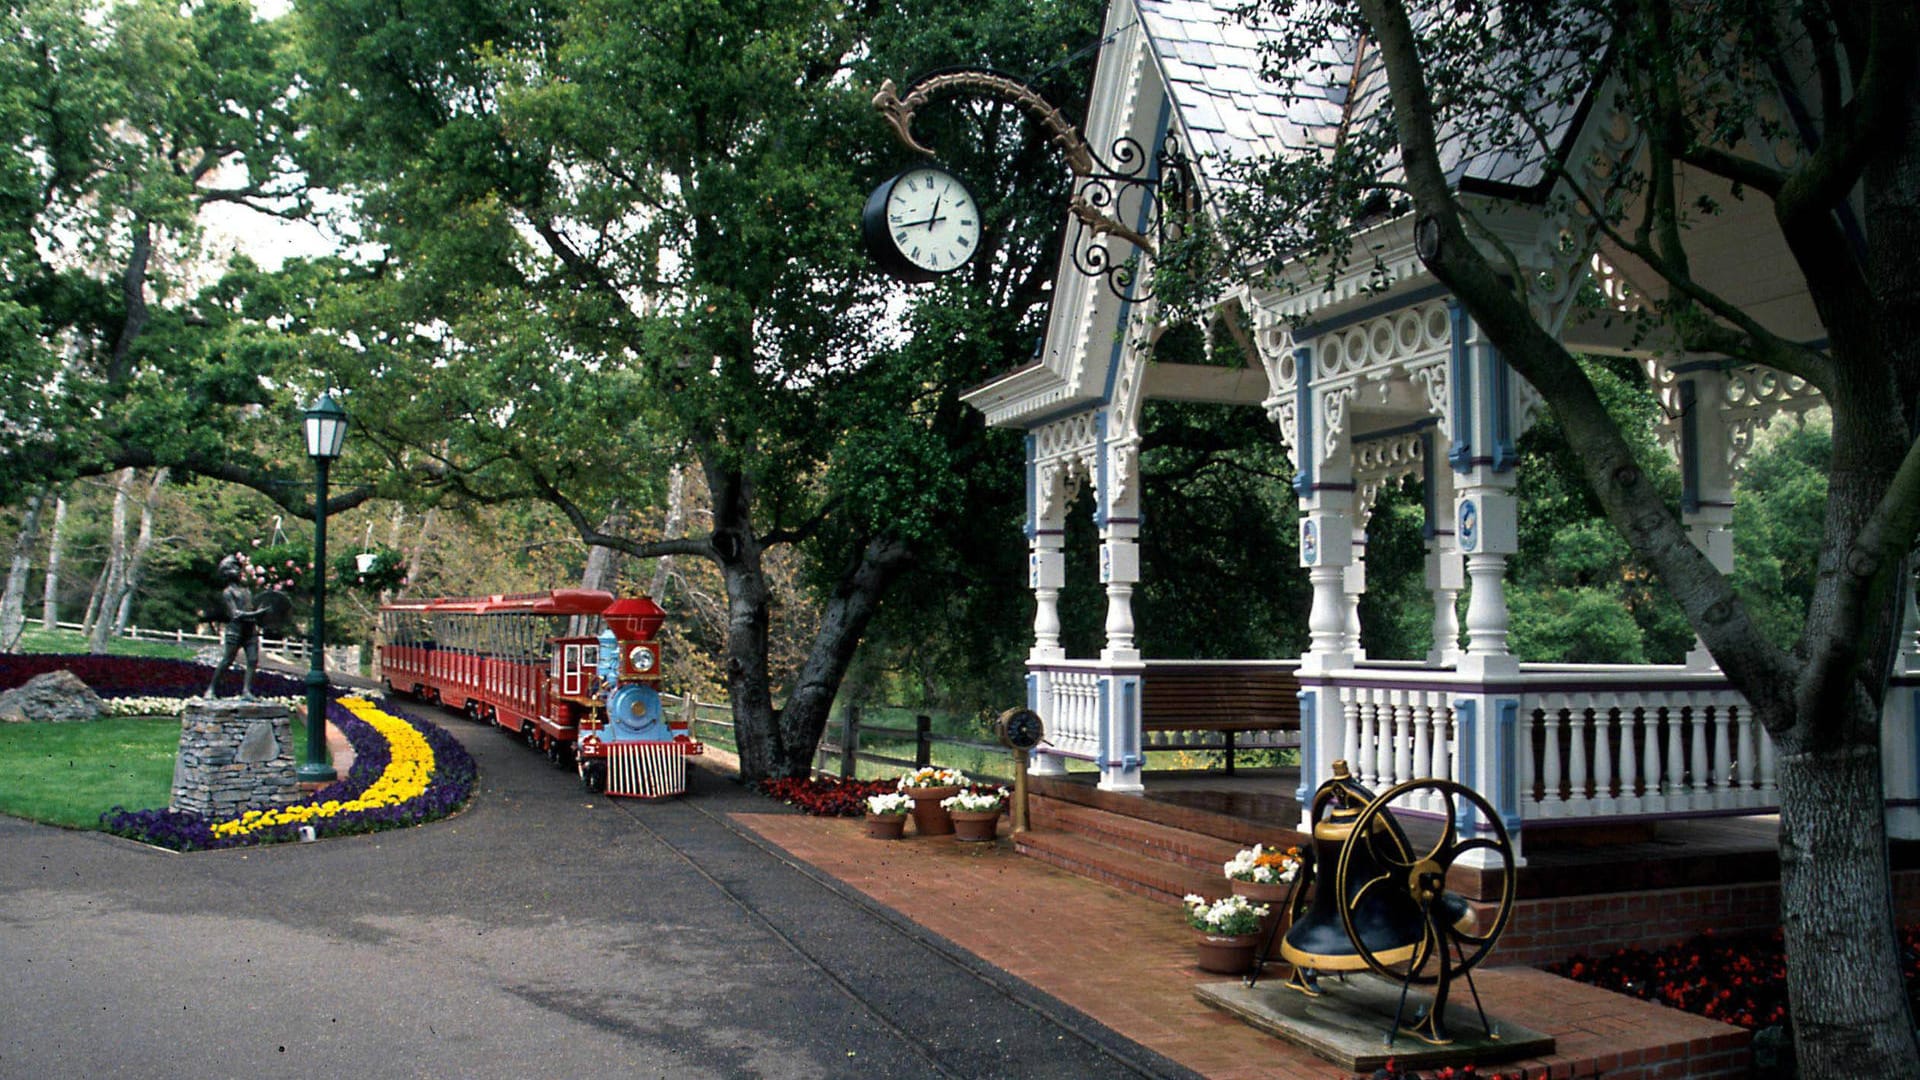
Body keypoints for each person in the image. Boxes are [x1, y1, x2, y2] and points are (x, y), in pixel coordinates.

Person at [207, 555, 266, 699]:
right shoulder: (228, 592)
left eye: (238, 568)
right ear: (227, 573)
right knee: (228, 660)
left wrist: (262, 612)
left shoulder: (246, 591)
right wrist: (256, 613)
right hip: (235, 631)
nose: (238, 571)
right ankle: (211, 689)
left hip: (250, 631)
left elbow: (252, 608)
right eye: (233, 568)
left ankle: (246, 691)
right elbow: (235, 614)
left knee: (252, 660)